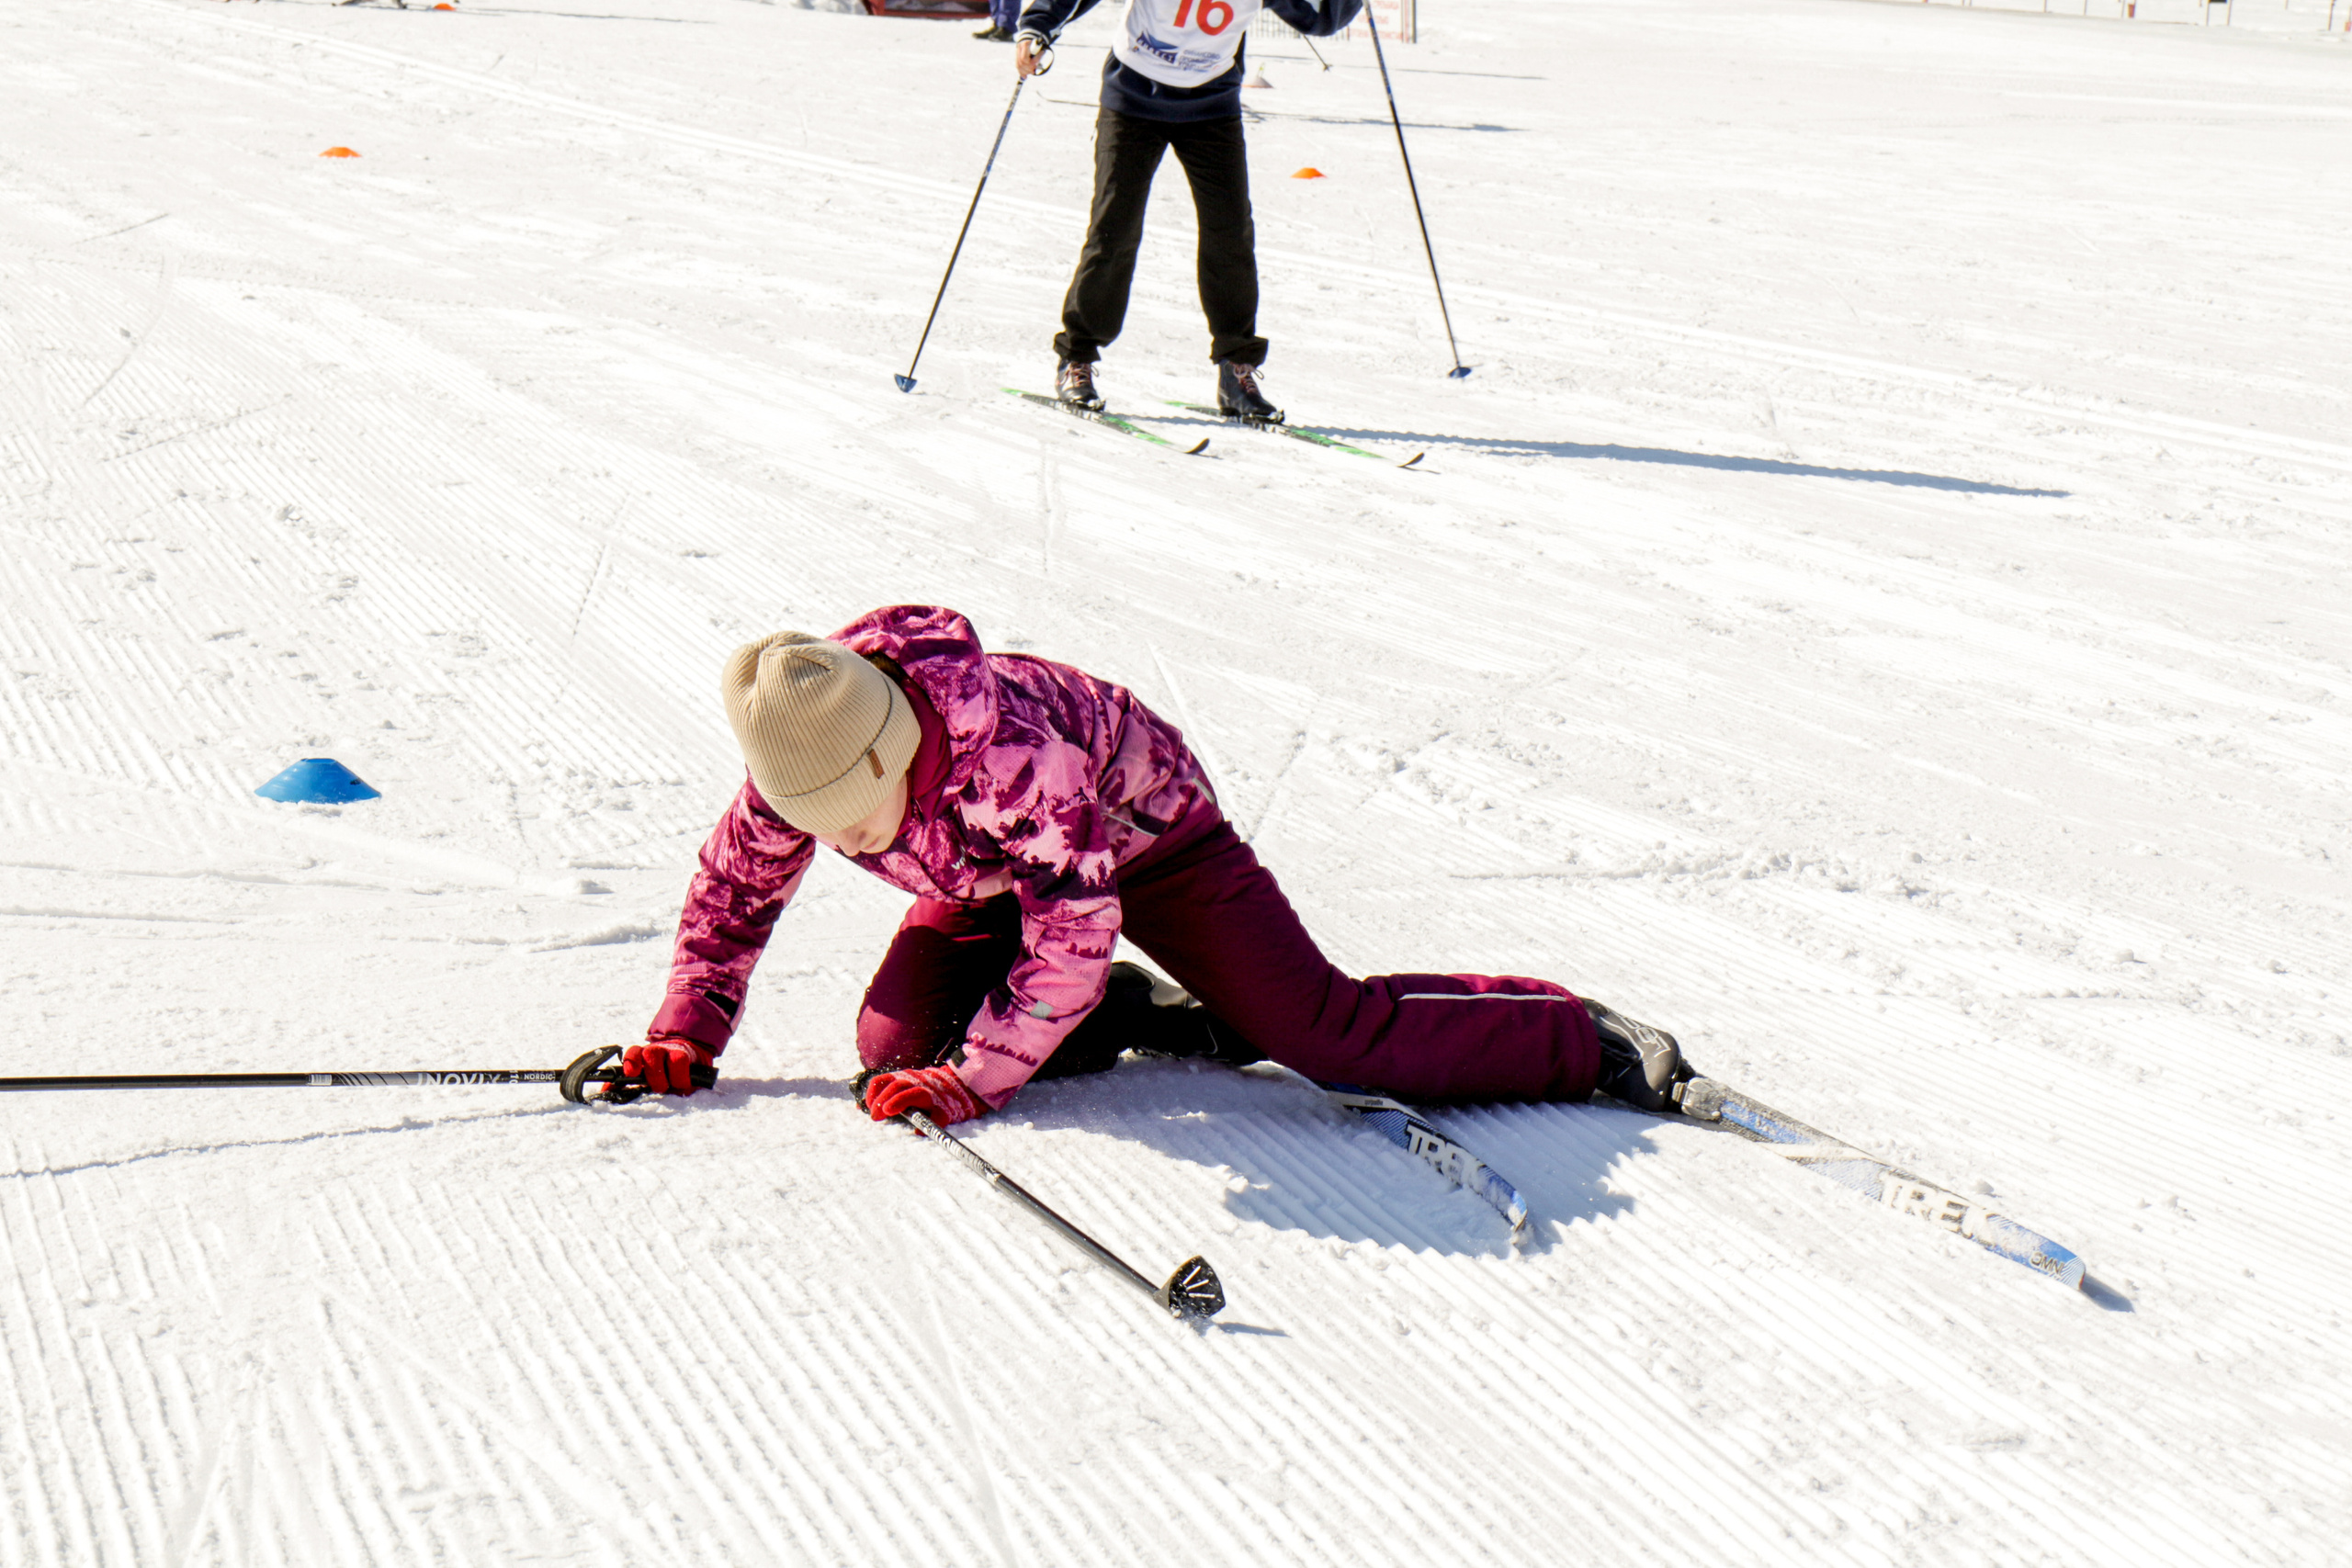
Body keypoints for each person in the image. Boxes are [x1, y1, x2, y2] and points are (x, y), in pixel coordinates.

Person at [625, 606, 1693, 1127]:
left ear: (895, 753)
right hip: (994, 881)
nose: (849, 842)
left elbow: (1073, 927)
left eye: (861, 818)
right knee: (891, 1047)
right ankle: (1129, 1013)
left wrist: (977, 1082)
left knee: (1328, 1037)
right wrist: (685, 1030)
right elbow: (733, 892)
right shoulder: (799, 761)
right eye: (822, 826)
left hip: (1151, 839)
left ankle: (1574, 1039)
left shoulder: (1012, 761)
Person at [1010, 0, 1363, 423]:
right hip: (1133, 100)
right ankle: (1077, 357)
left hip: (1211, 108)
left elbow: (1319, 20)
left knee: (1229, 233)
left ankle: (1236, 370)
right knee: (1115, 228)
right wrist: (1036, 29)